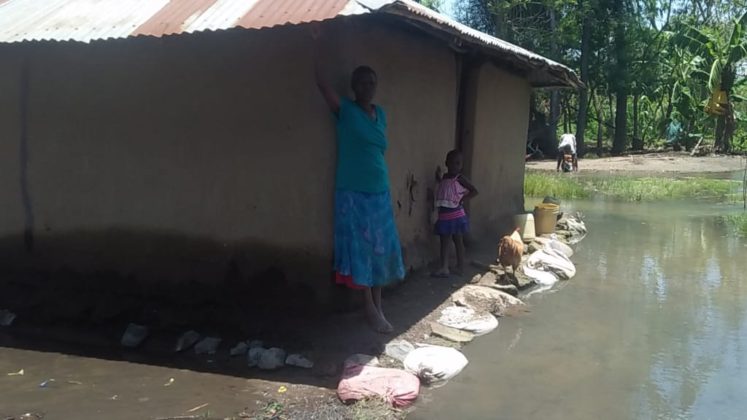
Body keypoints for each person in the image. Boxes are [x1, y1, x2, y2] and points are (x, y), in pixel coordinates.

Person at [312, 26, 405, 334]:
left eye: (372, 82)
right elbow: (322, 83)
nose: (367, 86)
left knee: (380, 250)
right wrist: (318, 46)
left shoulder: (382, 114)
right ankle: (369, 307)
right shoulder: (345, 110)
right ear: (353, 86)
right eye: (362, 81)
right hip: (352, 191)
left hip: (379, 189)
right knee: (362, 250)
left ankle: (379, 305)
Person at [432, 150, 478, 277]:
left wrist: (462, 199)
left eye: (457, 163)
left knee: (458, 240)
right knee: (444, 241)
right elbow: (444, 186)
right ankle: (444, 267)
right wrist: (438, 178)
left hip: (456, 215)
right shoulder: (445, 178)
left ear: (461, 166)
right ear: (446, 163)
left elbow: (474, 191)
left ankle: (460, 266)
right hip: (444, 215)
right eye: (452, 163)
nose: (454, 166)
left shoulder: (460, 178)